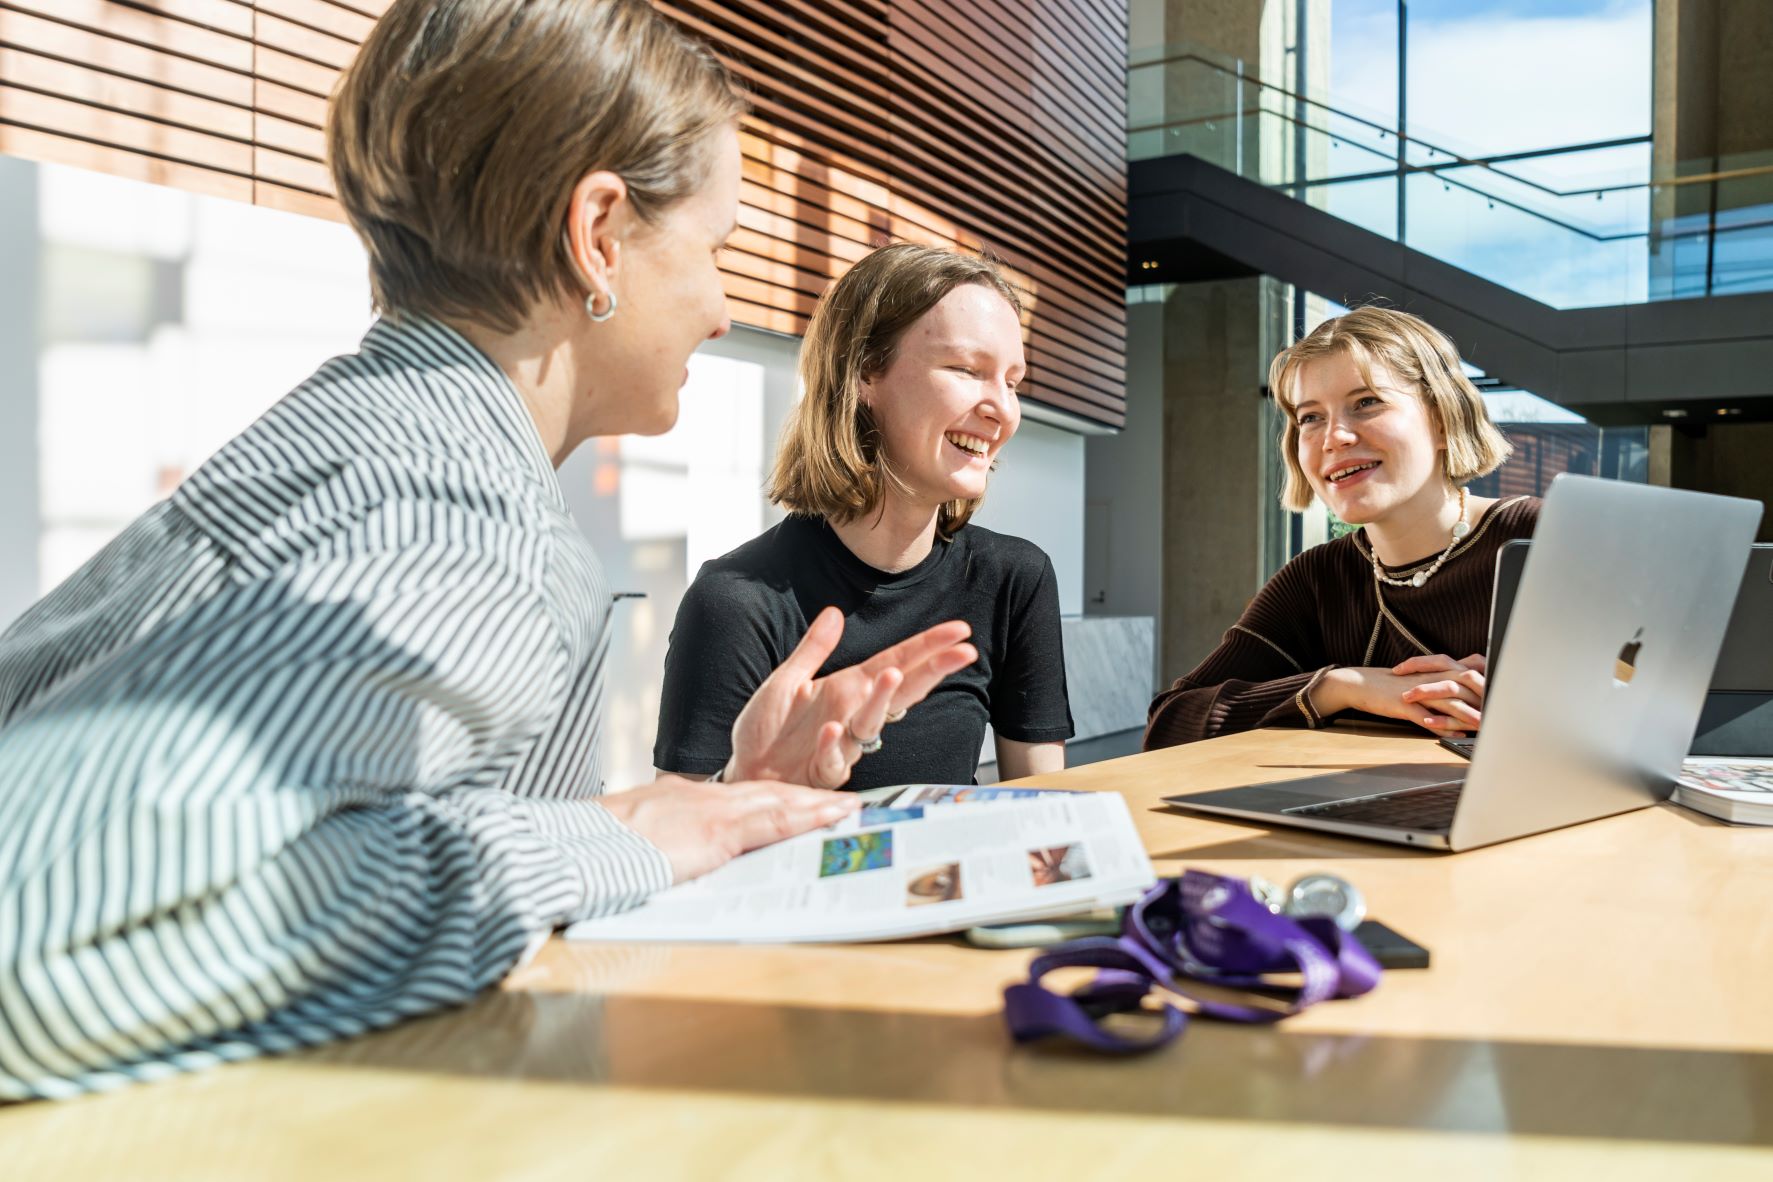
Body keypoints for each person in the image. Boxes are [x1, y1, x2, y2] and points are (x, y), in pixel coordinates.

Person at [0, 0, 980, 1101]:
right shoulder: (464, 524)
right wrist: (618, 843)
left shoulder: (358, 435)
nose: (720, 307)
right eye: (716, 249)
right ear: (598, 234)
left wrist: (715, 807)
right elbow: (27, 942)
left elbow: (331, 830)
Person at [652, 244, 1073, 790]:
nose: (1003, 409)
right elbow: (679, 834)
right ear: (864, 373)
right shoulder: (735, 602)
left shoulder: (1016, 579)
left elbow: (1044, 806)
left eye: (1012, 381)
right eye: (968, 370)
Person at [1144, 306, 1538, 749]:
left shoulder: (1545, 537)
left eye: (1366, 403)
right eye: (1310, 417)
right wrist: (1341, 686)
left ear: (1443, 419)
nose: (1334, 437)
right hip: (1372, 812)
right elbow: (1169, 724)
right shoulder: (1316, 579)